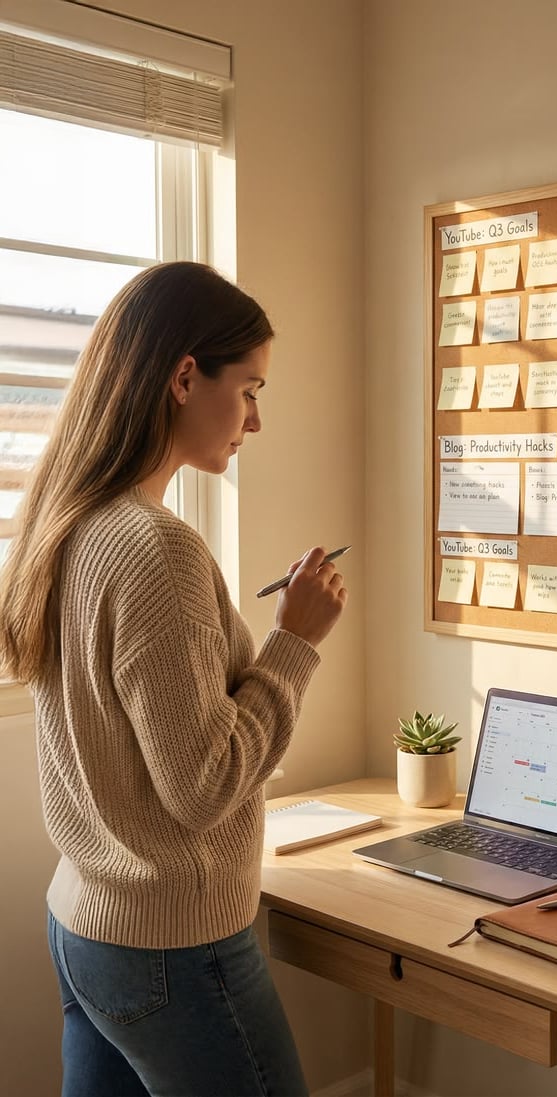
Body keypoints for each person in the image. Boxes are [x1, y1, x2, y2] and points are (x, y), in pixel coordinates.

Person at [0, 261, 347, 1096]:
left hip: (86, 924)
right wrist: (292, 643)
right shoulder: (156, 550)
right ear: (186, 376)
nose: (256, 420)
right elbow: (200, 786)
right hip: (173, 948)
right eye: (251, 388)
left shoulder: (71, 522)